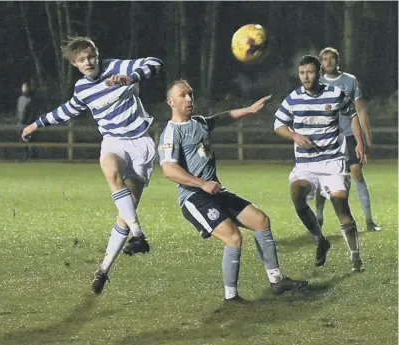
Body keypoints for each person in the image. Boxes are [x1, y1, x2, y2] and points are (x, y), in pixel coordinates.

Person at [21, 36, 163, 295]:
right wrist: (36, 124)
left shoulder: (117, 67)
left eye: (90, 56)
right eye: (81, 60)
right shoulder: (81, 89)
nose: (88, 62)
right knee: (110, 169)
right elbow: (67, 110)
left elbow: (155, 62)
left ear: (97, 55)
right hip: (113, 142)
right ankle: (139, 236)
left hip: (141, 143)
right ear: (75, 64)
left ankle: (104, 269)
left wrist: (132, 77)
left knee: (124, 213)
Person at [158, 79, 308, 302]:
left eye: (190, 94)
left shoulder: (199, 122)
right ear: (171, 101)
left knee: (260, 221)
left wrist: (249, 110)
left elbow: (222, 118)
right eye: (182, 95)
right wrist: (202, 183)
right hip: (194, 197)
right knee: (233, 238)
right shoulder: (171, 133)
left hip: (215, 192)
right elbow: (169, 170)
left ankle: (277, 281)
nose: (189, 99)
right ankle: (231, 297)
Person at [274, 55, 365, 273]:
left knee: (340, 205)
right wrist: (294, 136)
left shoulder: (334, 94)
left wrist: (359, 143)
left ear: (319, 73)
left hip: (332, 162)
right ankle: (320, 239)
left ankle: (355, 257)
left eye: (310, 72)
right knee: (297, 194)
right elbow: (278, 124)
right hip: (306, 165)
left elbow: (352, 114)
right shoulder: (293, 98)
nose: (306, 77)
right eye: (302, 72)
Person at [316, 47, 381, 232]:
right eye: (325, 59)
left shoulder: (350, 80)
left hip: (350, 134)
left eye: (331, 59)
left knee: (356, 173)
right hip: (327, 137)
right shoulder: (317, 82)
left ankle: (369, 221)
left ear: (338, 61)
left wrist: (367, 138)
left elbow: (360, 110)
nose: (328, 62)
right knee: (323, 178)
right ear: (321, 63)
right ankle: (319, 219)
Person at [17, 82, 37, 160]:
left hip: (28, 124)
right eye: (23, 87)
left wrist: (28, 122)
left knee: (29, 140)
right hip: (20, 124)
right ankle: (25, 155)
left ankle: (31, 155)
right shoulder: (20, 99)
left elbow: (32, 112)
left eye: (26, 88)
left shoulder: (31, 99)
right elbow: (18, 111)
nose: (25, 89)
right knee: (22, 140)